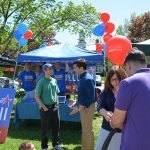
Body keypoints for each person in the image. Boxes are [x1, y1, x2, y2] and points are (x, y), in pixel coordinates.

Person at [111, 49, 150, 150]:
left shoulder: (128, 83)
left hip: (136, 144)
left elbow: (116, 122)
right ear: (145, 64)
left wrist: (112, 120)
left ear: (128, 66)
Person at [96, 68, 127, 150]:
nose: (115, 82)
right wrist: (105, 113)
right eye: (112, 79)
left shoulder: (128, 92)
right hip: (107, 129)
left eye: (118, 79)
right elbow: (99, 106)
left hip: (125, 131)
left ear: (122, 78)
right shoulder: (106, 92)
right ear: (109, 81)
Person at [35, 63, 63, 150]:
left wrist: (57, 104)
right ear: (45, 70)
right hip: (46, 109)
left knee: (56, 127)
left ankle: (56, 145)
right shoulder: (41, 81)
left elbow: (56, 93)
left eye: (52, 69)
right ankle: (44, 147)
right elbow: (37, 96)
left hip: (55, 107)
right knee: (45, 129)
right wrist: (44, 107)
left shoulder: (54, 80)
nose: (52, 70)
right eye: (50, 69)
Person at [70, 59, 96, 150]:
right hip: (84, 106)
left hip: (87, 107)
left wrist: (78, 107)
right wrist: (76, 102)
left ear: (81, 68)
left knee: (86, 131)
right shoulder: (82, 77)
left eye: (75, 68)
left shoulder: (87, 79)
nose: (74, 69)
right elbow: (83, 94)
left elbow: (91, 98)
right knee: (88, 130)